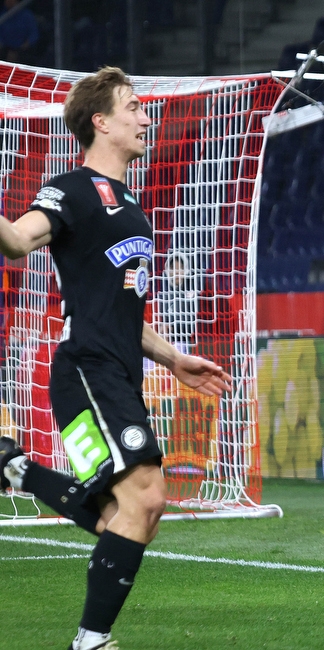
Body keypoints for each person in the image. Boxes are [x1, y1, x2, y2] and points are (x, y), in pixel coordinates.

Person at [0, 66, 232, 650]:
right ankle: (90, 642)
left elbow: (128, 313)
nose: (145, 117)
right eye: (133, 107)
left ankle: (15, 469)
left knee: (123, 517)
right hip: (85, 371)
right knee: (148, 496)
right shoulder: (71, 188)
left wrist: (174, 358)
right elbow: (19, 239)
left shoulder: (131, 203)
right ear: (101, 122)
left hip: (119, 372)